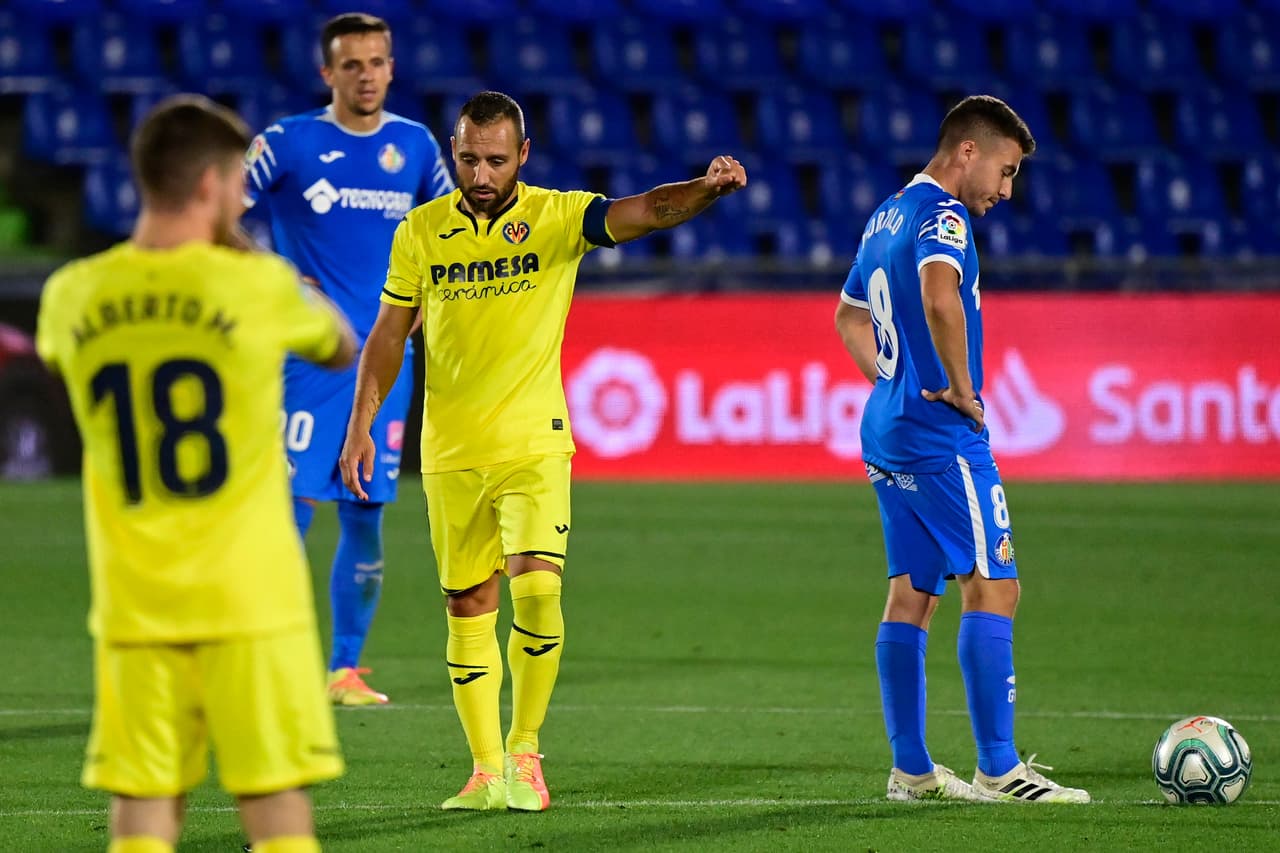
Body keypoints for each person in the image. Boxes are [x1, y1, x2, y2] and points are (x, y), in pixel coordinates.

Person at [337, 91, 746, 812]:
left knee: (536, 588)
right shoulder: (421, 232)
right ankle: (485, 771)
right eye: (468, 157)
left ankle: (526, 750)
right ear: (453, 152)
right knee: (468, 603)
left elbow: (648, 209)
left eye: (496, 159)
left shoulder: (559, 216)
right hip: (451, 448)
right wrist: (361, 422)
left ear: (522, 155)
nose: (482, 172)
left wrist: (705, 190)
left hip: (534, 441)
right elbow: (388, 336)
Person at [35, 95, 356, 853]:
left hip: (135, 599)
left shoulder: (71, 295)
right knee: (274, 803)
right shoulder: (258, 287)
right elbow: (341, 344)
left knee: (144, 808)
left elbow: (61, 357)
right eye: (239, 182)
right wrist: (246, 252)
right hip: (251, 595)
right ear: (211, 186)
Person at [833, 95, 1090, 804]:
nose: (1005, 192)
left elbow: (847, 314)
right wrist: (958, 386)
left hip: (887, 428)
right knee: (995, 583)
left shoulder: (886, 212)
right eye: (1005, 173)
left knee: (911, 593)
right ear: (967, 152)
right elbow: (941, 296)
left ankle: (911, 771)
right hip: (942, 437)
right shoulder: (942, 214)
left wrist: (895, 379)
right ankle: (1000, 767)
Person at [243, 12, 456, 706]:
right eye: (352, 64)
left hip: (388, 365)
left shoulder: (415, 146)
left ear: (392, 68)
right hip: (310, 359)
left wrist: (428, 294)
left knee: (365, 510)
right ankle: (262, 660)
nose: (366, 75)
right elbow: (217, 210)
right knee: (289, 508)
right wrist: (273, 271)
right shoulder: (289, 142)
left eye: (377, 62)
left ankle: (345, 670)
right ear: (326, 72)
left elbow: (454, 233)